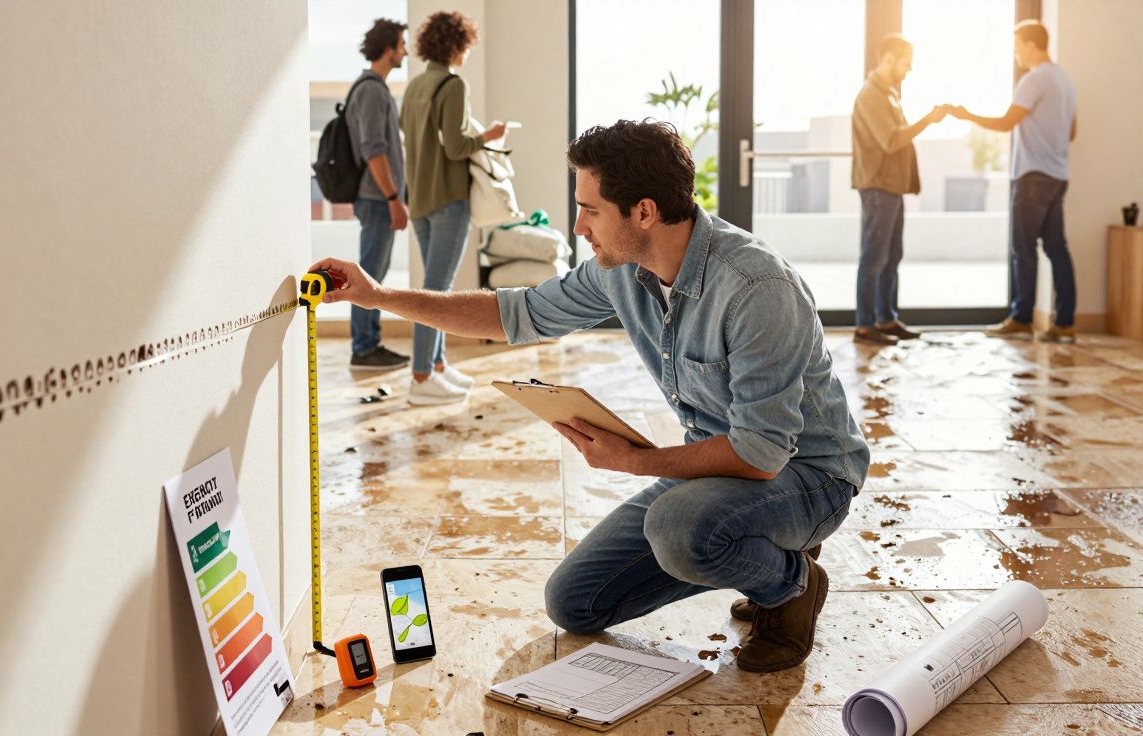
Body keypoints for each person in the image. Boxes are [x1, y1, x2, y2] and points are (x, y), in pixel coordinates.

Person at [310, 120, 870, 672]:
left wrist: (636, 461)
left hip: (810, 474)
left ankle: (792, 585)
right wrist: (377, 295)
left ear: (643, 212)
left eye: (590, 209)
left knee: (678, 528)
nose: (578, 225)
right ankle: (760, 551)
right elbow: (515, 315)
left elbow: (761, 453)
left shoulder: (756, 288)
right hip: (726, 473)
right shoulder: (623, 269)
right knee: (574, 603)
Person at [399, 11, 507, 404]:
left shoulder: (413, 87)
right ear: (456, 45)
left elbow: (414, 139)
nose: (468, 53)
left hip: (420, 199)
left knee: (434, 284)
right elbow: (456, 147)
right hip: (448, 199)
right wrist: (490, 135)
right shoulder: (452, 84)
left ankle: (438, 367)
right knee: (437, 292)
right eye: (466, 46)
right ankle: (421, 377)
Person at [951, 20, 1078, 344]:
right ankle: (1064, 324)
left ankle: (1022, 318)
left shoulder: (1034, 80)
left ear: (1033, 45)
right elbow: (1072, 132)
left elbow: (1007, 122)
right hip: (1057, 175)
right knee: (1057, 249)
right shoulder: (1065, 81)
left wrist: (967, 116)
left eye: (1019, 46)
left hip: (1032, 176)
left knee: (1023, 248)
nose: (1017, 54)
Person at [852, 34, 946, 345]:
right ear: (889, 59)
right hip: (878, 187)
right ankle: (866, 326)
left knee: (891, 255)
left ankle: (886, 319)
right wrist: (929, 120)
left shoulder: (888, 93)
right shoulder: (871, 96)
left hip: (891, 187)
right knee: (874, 257)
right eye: (906, 63)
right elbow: (892, 140)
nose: (909, 70)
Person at [346, 18, 412, 371]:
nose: (406, 51)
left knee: (374, 276)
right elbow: (374, 150)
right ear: (389, 49)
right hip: (376, 199)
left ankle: (369, 344)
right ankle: (364, 349)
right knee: (368, 278)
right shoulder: (371, 90)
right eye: (402, 44)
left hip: (378, 198)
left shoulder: (375, 88)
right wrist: (392, 199)